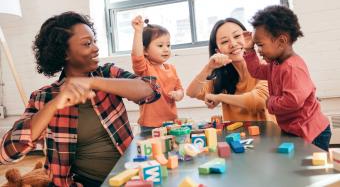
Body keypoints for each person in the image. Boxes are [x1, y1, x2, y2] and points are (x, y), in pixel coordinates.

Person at [0, 12, 160, 186]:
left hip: (129, 175)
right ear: (65, 53)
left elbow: (150, 89)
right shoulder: (44, 97)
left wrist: (92, 82)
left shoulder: (107, 74)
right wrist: (53, 105)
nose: (96, 48)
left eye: (94, 41)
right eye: (87, 43)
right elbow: (5, 153)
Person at [243, 5, 331, 151]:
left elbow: (292, 101)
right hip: (294, 129)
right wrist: (248, 50)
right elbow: (257, 71)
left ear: (281, 41)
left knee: (313, 168)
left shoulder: (292, 68)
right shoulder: (275, 64)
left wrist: (269, 102)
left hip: (312, 131)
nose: (259, 50)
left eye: (260, 45)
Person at [186, 18, 274, 122]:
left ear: (248, 37)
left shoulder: (265, 68)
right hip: (236, 137)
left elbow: (259, 101)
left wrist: (220, 97)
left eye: (237, 36)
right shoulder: (223, 77)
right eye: (224, 41)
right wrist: (208, 68)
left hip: (268, 136)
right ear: (218, 50)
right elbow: (191, 92)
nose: (233, 44)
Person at [131, 16, 184, 132]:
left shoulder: (171, 68)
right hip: (150, 125)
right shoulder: (145, 69)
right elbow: (137, 56)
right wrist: (138, 32)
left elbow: (180, 89)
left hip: (172, 122)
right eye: (160, 46)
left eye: (168, 45)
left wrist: (178, 94)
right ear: (145, 51)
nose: (166, 49)